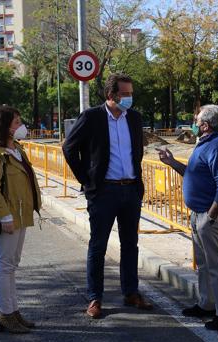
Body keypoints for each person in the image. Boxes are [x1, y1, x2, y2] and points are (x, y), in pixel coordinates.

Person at [62, 73, 152, 319]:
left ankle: (131, 292)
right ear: (111, 95)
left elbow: (136, 151)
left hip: (131, 190)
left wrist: (134, 181)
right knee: (98, 245)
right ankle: (95, 298)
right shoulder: (92, 117)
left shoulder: (134, 118)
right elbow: (69, 148)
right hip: (104, 192)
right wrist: (87, 180)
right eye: (125, 94)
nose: (130, 98)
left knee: (130, 244)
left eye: (131, 93)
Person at [157, 105, 218, 331]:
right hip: (199, 214)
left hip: (210, 216)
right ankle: (207, 303)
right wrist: (172, 163)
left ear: (205, 125)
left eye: (196, 120)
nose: (194, 123)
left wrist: (211, 215)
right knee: (203, 264)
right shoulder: (205, 143)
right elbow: (194, 174)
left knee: (216, 265)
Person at [0, 106, 42, 333]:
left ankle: (13, 312)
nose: (21, 126)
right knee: (4, 265)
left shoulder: (15, 148)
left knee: (12, 266)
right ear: (4, 126)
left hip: (21, 214)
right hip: (9, 217)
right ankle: (5, 314)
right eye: (16, 122)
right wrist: (4, 215)